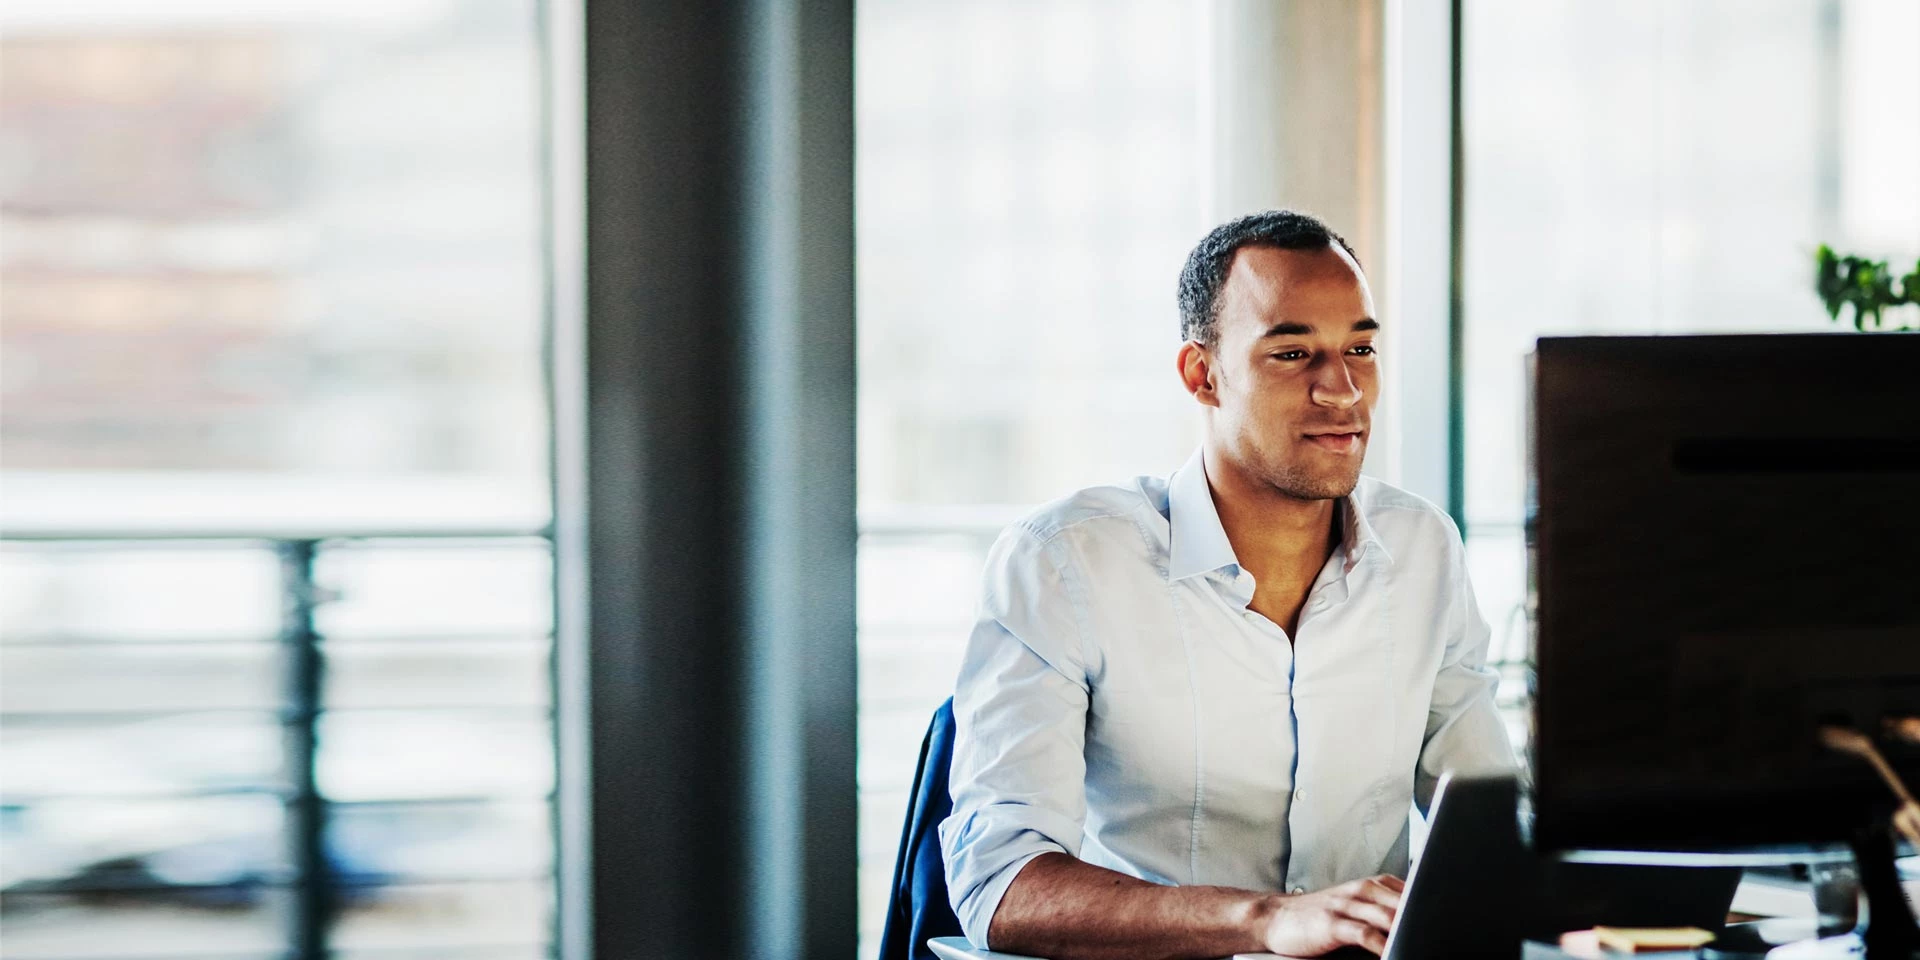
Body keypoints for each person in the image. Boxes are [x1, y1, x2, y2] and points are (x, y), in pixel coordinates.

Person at [938, 211, 1515, 959]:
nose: (1342, 389)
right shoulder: (1064, 563)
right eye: (1292, 352)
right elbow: (1002, 884)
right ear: (1202, 374)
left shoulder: (1422, 548)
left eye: (1361, 349)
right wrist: (1267, 921)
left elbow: (1492, 822)